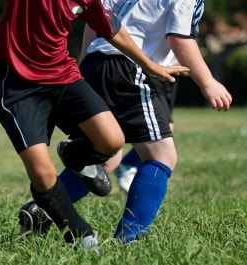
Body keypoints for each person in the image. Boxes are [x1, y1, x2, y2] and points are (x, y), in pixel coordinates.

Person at [0, 0, 188, 252]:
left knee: (112, 140)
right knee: (42, 173)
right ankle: (79, 235)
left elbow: (111, 27)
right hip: (16, 83)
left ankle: (74, 155)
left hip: (61, 74)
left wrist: (149, 64)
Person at [19, 0, 232, 244]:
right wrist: (208, 82)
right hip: (129, 67)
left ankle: (43, 211)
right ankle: (127, 241)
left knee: (107, 157)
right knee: (161, 156)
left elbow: (95, 19)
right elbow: (180, 37)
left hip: (96, 62)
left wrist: (83, 66)